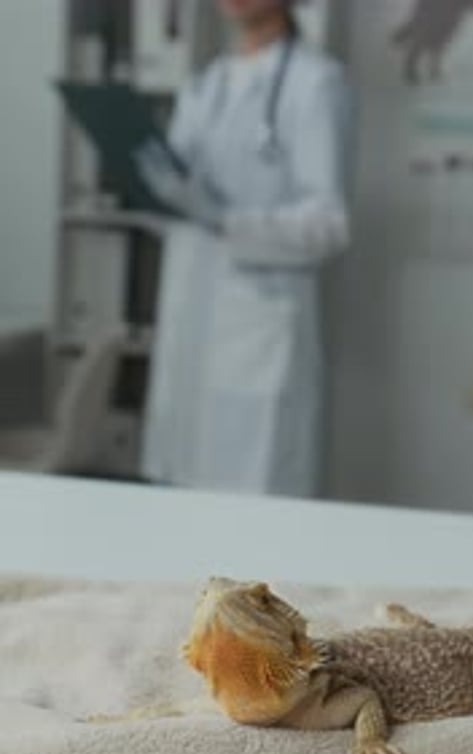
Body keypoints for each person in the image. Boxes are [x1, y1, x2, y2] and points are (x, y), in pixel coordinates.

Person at [139, 0, 351, 498]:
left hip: (258, 339)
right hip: (189, 337)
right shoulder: (205, 84)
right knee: (178, 519)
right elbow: (179, 206)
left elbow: (329, 225)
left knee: (253, 523)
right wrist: (150, 196)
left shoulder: (317, 83)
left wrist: (223, 219)